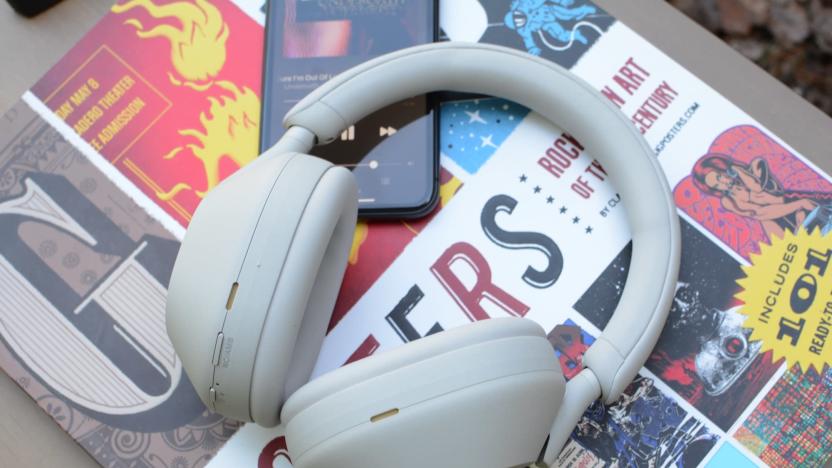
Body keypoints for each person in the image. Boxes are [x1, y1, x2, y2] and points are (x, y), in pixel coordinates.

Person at [691, 154, 830, 239]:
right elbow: (760, 213)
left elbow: (757, 187)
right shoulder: (728, 201)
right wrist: (798, 205)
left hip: (794, 203)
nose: (723, 183)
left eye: (719, 176)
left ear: (723, 168)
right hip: (780, 219)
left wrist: (736, 169)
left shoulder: (755, 166)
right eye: (716, 185)